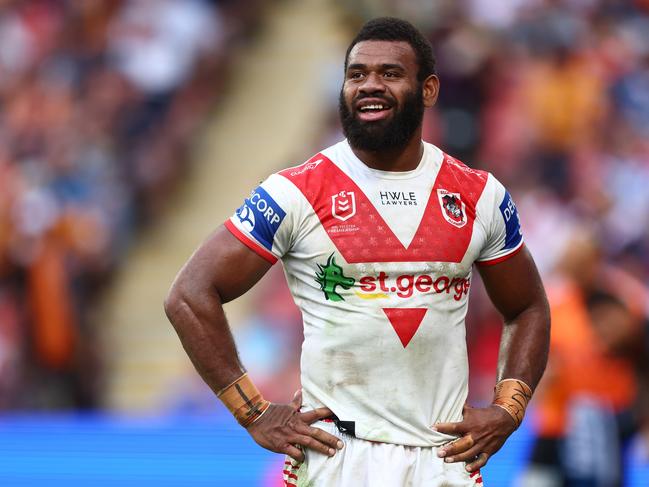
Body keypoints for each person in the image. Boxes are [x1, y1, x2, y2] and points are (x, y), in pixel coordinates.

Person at [164, 17, 550, 486]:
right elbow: (189, 295)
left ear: (428, 89)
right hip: (336, 457)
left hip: (443, 460)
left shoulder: (480, 195)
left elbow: (527, 305)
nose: (370, 85)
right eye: (356, 74)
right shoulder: (295, 192)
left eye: (389, 74)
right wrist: (253, 412)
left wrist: (509, 409)